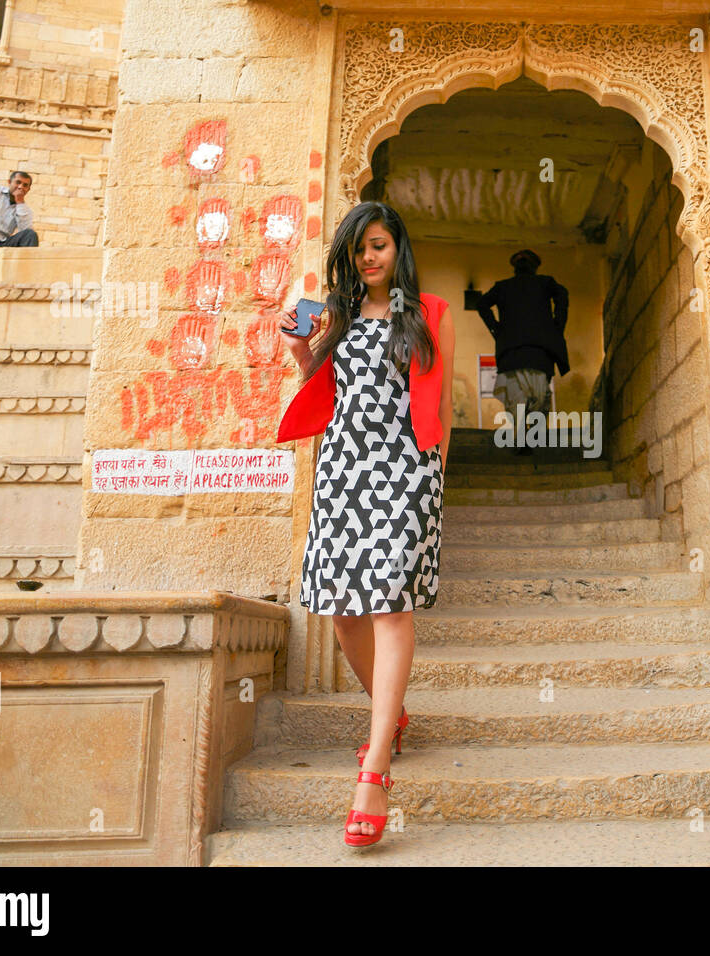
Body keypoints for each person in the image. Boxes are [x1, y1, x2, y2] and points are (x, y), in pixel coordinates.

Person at [276, 200, 454, 848]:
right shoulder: (339, 318)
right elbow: (325, 388)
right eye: (358, 249)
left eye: (378, 245)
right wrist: (301, 348)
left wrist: (433, 482)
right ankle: (392, 716)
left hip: (404, 470)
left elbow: (439, 401)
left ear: (396, 248)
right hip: (344, 470)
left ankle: (374, 768)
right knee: (343, 611)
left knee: (389, 607)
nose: (368, 257)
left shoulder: (429, 314)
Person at [476, 249, 569, 454]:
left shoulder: (504, 287)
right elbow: (562, 294)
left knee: (517, 400)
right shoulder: (545, 283)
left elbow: (482, 304)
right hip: (538, 352)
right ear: (535, 267)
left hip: (513, 353)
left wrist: (497, 330)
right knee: (537, 398)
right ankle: (529, 439)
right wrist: (556, 326)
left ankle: (521, 440)